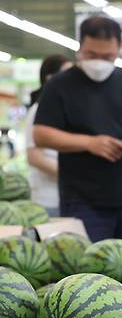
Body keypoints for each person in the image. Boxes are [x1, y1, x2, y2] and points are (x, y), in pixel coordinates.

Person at [33, 16, 122, 242]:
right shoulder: (59, 85)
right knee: (88, 270)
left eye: (107, 56)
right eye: (92, 55)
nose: (99, 61)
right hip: (82, 201)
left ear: (119, 50)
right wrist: (90, 143)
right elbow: (41, 134)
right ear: (80, 48)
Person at [25, 54, 73, 216]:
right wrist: (75, 174)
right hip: (48, 199)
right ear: (50, 78)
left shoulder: (64, 111)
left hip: (68, 197)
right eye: (66, 73)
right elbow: (34, 157)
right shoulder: (38, 111)